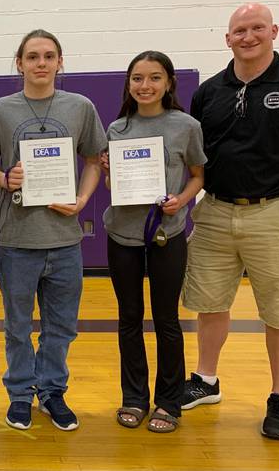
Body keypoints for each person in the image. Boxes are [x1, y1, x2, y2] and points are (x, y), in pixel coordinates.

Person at [180, 3, 279, 440]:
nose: (248, 36)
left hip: (277, 212)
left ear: (274, 30)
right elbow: (193, 153)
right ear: (228, 38)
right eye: (240, 30)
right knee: (210, 301)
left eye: (257, 28)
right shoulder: (208, 92)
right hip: (216, 210)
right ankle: (206, 379)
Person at [0, 29, 106, 432]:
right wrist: (5, 180)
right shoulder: (0, 110)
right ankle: (20, 393)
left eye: (49, 56)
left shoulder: (80, 107)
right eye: (32, 56)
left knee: (61, 326)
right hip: (17, 240)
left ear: (59, 62)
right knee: (17, 326)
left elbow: (93, 159)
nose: (41, 63)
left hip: (64, 239)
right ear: (19, 63)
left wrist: (83, 200)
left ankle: (52, 391)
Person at [100, 51, 205, 433]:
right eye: (138, 79)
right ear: (128, 84)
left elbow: (198, 175)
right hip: (122, 235)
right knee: (129, 319)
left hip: (167, 234)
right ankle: (134, 397)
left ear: (169, 83)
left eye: (154, 78)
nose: (146, 86)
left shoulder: (186, 126)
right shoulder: (117, 130)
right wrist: (112, 173)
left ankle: (169, 402)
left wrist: (182, 199)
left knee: (167, 320)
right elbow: (114, 188)